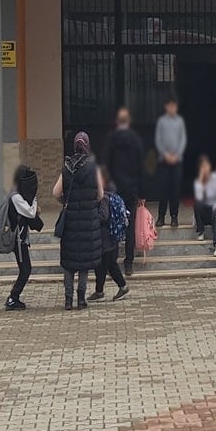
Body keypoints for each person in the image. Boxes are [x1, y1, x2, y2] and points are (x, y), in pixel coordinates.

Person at [54, 131, 104, 310]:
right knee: (84, 263)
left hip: (70, 221)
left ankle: (68, 300)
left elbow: (55, 192)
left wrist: (66, 202)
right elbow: (100, 195)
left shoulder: (67, 166)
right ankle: (81, 299)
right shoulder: (94, 166)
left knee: (69, 263)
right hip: (89, 221)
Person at [103, 107, 145, 275]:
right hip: (131, 189)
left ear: (117, 122)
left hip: (115, 190)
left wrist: (106, 188)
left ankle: (112, 262)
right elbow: (141, 168)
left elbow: (106, 164)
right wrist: (142, 193)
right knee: (130, 225)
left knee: (114, 222)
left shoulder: (111, 139)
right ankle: (129, 263)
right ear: (128, 122)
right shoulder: (136, 140)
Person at [6, 165, 44, 311]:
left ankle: (13, 297)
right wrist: (34, 201)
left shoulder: (17, 194)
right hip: (18, 240)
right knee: (25, 269)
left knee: (25, 269)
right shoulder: (15, 196)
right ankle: (13, 298)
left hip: (21, 238)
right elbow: (29, 213)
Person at [90, 166, 131, 303]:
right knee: (105, 264)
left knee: (106, 264)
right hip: (111, 235)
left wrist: (91, 217)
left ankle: (120, 287)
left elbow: (103, 216)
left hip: (105, 236)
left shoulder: (104, 196)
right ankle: (100, 291)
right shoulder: (112, 192)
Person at [155, 96, 187, 228]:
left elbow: (183, 140)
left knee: (175, 189)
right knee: (163, 189)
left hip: (177, 161)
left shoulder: (180, 121)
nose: (172, 108)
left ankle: (174, 216)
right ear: (166, 107)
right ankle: (161, 217)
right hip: (164, 160)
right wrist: (166, 154)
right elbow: (158, 140)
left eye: (174, 106)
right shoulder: (161, 121)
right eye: (170, 106)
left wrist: (176, 155)